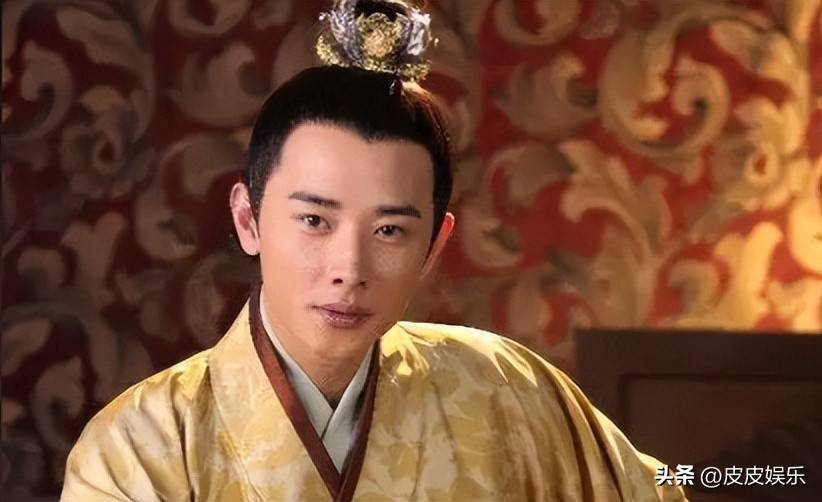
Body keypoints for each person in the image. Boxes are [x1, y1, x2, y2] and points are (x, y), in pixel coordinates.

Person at [61, 1, 689, 500]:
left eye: (389, 230)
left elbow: (661, 486)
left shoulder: (507, 389)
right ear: (248, 219)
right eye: (314, 220)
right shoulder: (139, 447)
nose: (350, 270)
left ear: (434, 245)